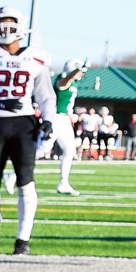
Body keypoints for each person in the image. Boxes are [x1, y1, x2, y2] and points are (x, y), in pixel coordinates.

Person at [0, 8, 55, 254]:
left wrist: (48, 120)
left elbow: (46, 96)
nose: (4, 29)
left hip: (24, 124)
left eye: (8, 24)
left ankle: (22, 240)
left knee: (26, 180)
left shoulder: (36, 58)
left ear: (20, 26)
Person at [43, 59, 89, 193]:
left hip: (64, 119)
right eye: (79, 71)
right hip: (55, 117)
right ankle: (14, 175)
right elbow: (65, 81)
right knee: (42, 150)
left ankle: (64, 182)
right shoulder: (63, 80)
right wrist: (77, 70)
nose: (81, 74)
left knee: (70, 150)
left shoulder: (72, 82)